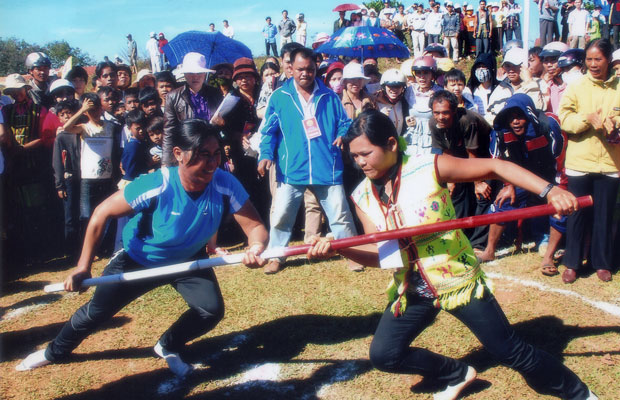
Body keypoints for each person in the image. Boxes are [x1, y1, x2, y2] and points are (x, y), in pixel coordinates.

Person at [306, 109, 599, 400]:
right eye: (354, 156)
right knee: (385, 354)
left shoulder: (429, 167)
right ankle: (457, 374)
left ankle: (580, 394)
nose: (360, 162)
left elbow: (496, 167)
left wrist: (549, 191)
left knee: (510, 352)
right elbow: (385, 256)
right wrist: (343, 248)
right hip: (413, 288)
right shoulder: (362, 196)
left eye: (366, 153)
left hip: (457, 280)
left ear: (392, 144)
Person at [16, 119, 268, 377]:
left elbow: (255, 227)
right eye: (204, 155)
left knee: (210, 311)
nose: (213, 163)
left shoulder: (224, 182)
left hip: (188, 260)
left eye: (216, 154)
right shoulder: (157, 184)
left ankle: (167, 345)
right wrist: (83, 266)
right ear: (179, 154)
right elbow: (101, 214)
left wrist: (256, 246)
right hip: (139, 259)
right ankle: (54, 352)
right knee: (95, 313)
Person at [257, 47, 358, 274]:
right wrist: (265, 155)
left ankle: (352, 253)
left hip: (327, 166)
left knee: (340, 215)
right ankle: (276, 256)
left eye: (310, 69)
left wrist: (343, 134)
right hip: (291, 169)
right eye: (300, 69)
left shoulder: (330, 96)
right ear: (291, 69)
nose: (305, 74)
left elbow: (344, 122)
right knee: (282, 215)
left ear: (316, 69)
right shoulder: (279, 98)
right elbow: (268, 132)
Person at [477, 94, 568, 274]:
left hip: (552, 175)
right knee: (502, 203)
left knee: (561, 207)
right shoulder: (500, 132)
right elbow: (497, 160)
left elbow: (561, 159)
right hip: (521, 175)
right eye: (511, 118)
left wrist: (560, 189)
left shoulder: (549, 125)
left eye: (519, 116)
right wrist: (507, 184)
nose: (515, 122)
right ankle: (489, 252)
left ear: (529, 114)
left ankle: (548, 257)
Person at [558, 39, 620, 284]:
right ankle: (572, 263)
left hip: (611, 163)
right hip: (579, 162)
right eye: (589, 59)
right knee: (576, 214)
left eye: (598, 59)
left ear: (608, 60)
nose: (593, 64)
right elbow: (565, 119)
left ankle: (602, 263)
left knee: (604, 214)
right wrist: (586, 119)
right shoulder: (576, 86)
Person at [163, 52, 222, 167]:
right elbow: (169, 131)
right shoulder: (173, 97)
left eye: (199, 72)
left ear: (205, 74)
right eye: (191, 73)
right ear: (184, 74)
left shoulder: (215, 94)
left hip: (211, 152)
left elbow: (226, 126)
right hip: (188, 152)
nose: (195, 76)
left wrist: (222, 123)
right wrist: (166, 163)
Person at [52, 99, 82, 260]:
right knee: (70, 215)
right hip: (69, 178)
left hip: (84, 177)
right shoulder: (61, 137)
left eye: (68, 113)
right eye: (62, 114)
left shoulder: (81, 131)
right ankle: (71, 250)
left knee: (82, 213)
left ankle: (83, 247)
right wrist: (59, 185)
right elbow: (57, 162)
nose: (65, 117)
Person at [486, 48, 544, 125]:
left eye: (515, 66)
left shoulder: (539, 83)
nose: (511, 70)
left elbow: (539, 109)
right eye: (507, 66)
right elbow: (490, 118)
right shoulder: (499, 89)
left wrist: (529, 82)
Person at [403, 56, 443, 155]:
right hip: (412, 137)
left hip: (432, 137)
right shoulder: (409, 91)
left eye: (426, 73)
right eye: (418, 73)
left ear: (432, 74)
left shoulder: (439, 92)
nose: (422, 77)